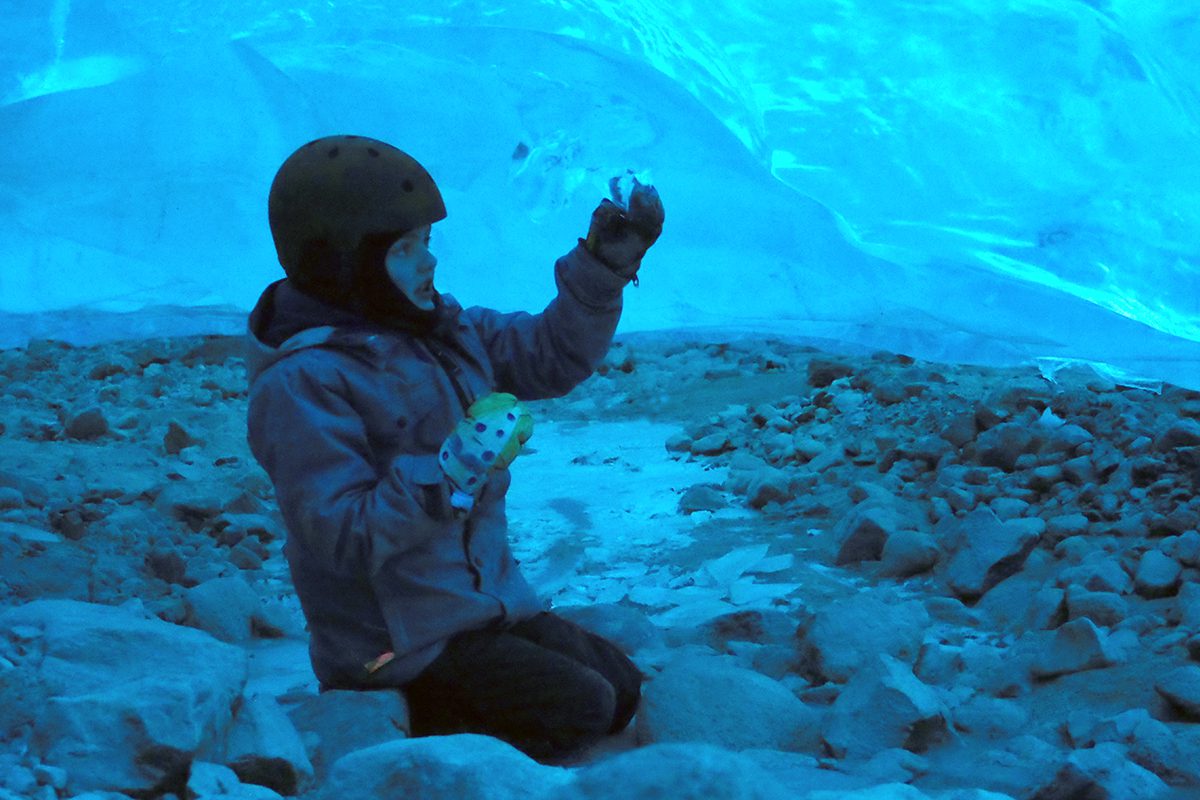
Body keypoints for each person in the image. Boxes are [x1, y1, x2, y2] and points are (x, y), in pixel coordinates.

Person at [245, 134, 664, 759]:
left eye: (428, 244)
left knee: (623, 689)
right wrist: (451, 473)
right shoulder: (303, 382)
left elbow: (550, 356)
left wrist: (603, 269)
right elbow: (340, 535)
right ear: (344, 262)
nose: (429, 264)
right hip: (395, 641)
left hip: (473, 606)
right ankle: (404, 733)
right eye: (405, 249)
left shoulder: (440, 328)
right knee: (585, 706)